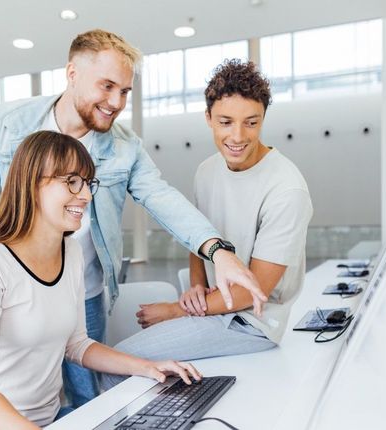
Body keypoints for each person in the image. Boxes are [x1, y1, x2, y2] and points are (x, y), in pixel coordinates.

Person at [0, 29, 266, 409]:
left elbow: (161, 198)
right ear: (72, 73)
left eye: (126, 92)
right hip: (11, 291)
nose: (116, 102)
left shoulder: (124, 145)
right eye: (108, 86)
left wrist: (218, 251)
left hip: (82, 287)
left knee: (85, 398)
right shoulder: (8, 124)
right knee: (6, 390)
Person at [0, 131, 201, 430]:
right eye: (72, 182)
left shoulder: (71, 251)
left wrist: (147, 368)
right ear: (32, 184)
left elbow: (76, 344)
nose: (87, 195)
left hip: (48, 421)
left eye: (88, 183)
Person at [102, 59, 313, 388]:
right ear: (208, 118)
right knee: (117, 357)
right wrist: (196, 286)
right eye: (226, 122)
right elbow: (198, 237)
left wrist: (176, 310)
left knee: (119, 360)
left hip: (252, 322)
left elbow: (252, 294)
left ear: (263, 120)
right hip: (218, 308)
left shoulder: (287, 189)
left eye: (251, 123)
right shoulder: (207, 170)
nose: (238, 136)